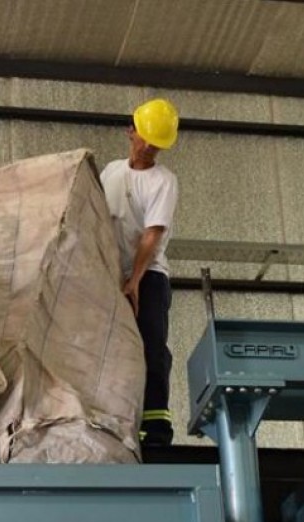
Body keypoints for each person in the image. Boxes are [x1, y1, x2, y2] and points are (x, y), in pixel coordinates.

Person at [100, 98, 180, 448]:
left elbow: (152, 233)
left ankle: (156, 427)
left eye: (156, 142)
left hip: (149, 275)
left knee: (151, 345)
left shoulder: (164, 181)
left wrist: (134, 281)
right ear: (130, 131)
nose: (148, 146)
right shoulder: (111, 172)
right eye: (144, 137)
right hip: (110, 274)